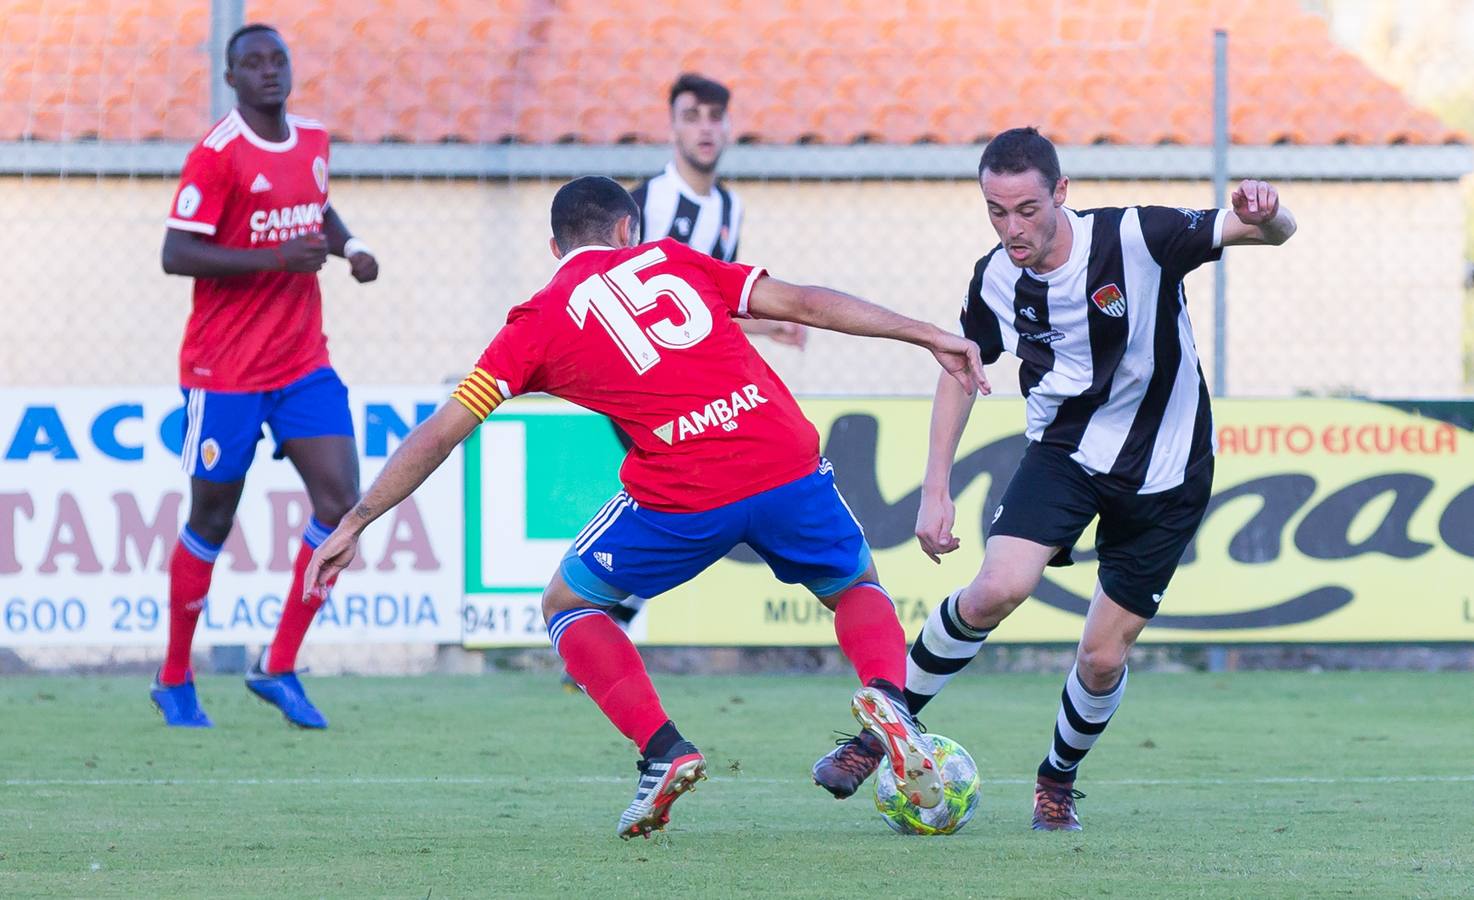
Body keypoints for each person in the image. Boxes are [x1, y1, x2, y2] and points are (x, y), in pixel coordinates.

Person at [305, 176, 987, 838]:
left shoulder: (536, 321)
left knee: (568, 604)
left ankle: (663, 750)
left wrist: (359, 518)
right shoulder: (675, 260)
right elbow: (805, 302)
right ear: (628, 229)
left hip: (686, 493)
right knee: (854, 588)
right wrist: (925, 334)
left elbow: (443, 429)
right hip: (782, 459)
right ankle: (890, 701)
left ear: (555, 248)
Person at [810, 127, 1297, 830]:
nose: (1013, 229)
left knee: (1101, 658)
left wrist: (1267, 207)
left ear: (1061, 193)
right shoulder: (995, 277)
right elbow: (959, 366)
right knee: (996, 589)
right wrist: (936, 488)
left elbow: (1271, 232)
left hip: (1168, 471)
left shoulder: (1139, 237)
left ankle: (1056, 779)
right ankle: (876, 739)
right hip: (1064, 452)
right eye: (996, 211)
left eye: (1028, 210)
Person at [149, 23, 379, 730]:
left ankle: (278, 666)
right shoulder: (216, 155)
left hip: (303, 362)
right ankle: (175, 677)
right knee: (213, 518)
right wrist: (276, 261)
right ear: (232, 79)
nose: (268, 72)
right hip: (224, 371)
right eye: (252, 63)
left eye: (277, 59)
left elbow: (317, 207)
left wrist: (351, 246)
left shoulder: (312, 138)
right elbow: (176, 253)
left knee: (343, 503)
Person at [583, 72, 803, 655]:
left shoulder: (729, 208)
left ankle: (603, 616)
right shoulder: (643, 202)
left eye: (714, 117)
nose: (705, 129)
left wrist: (772, 321)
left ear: (729, 127)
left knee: (696, 495)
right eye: (692, 116)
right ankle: (592, 613)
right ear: (672, 126)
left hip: (697, 384)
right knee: (693, 493)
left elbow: (711, 303)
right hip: (640, 383)